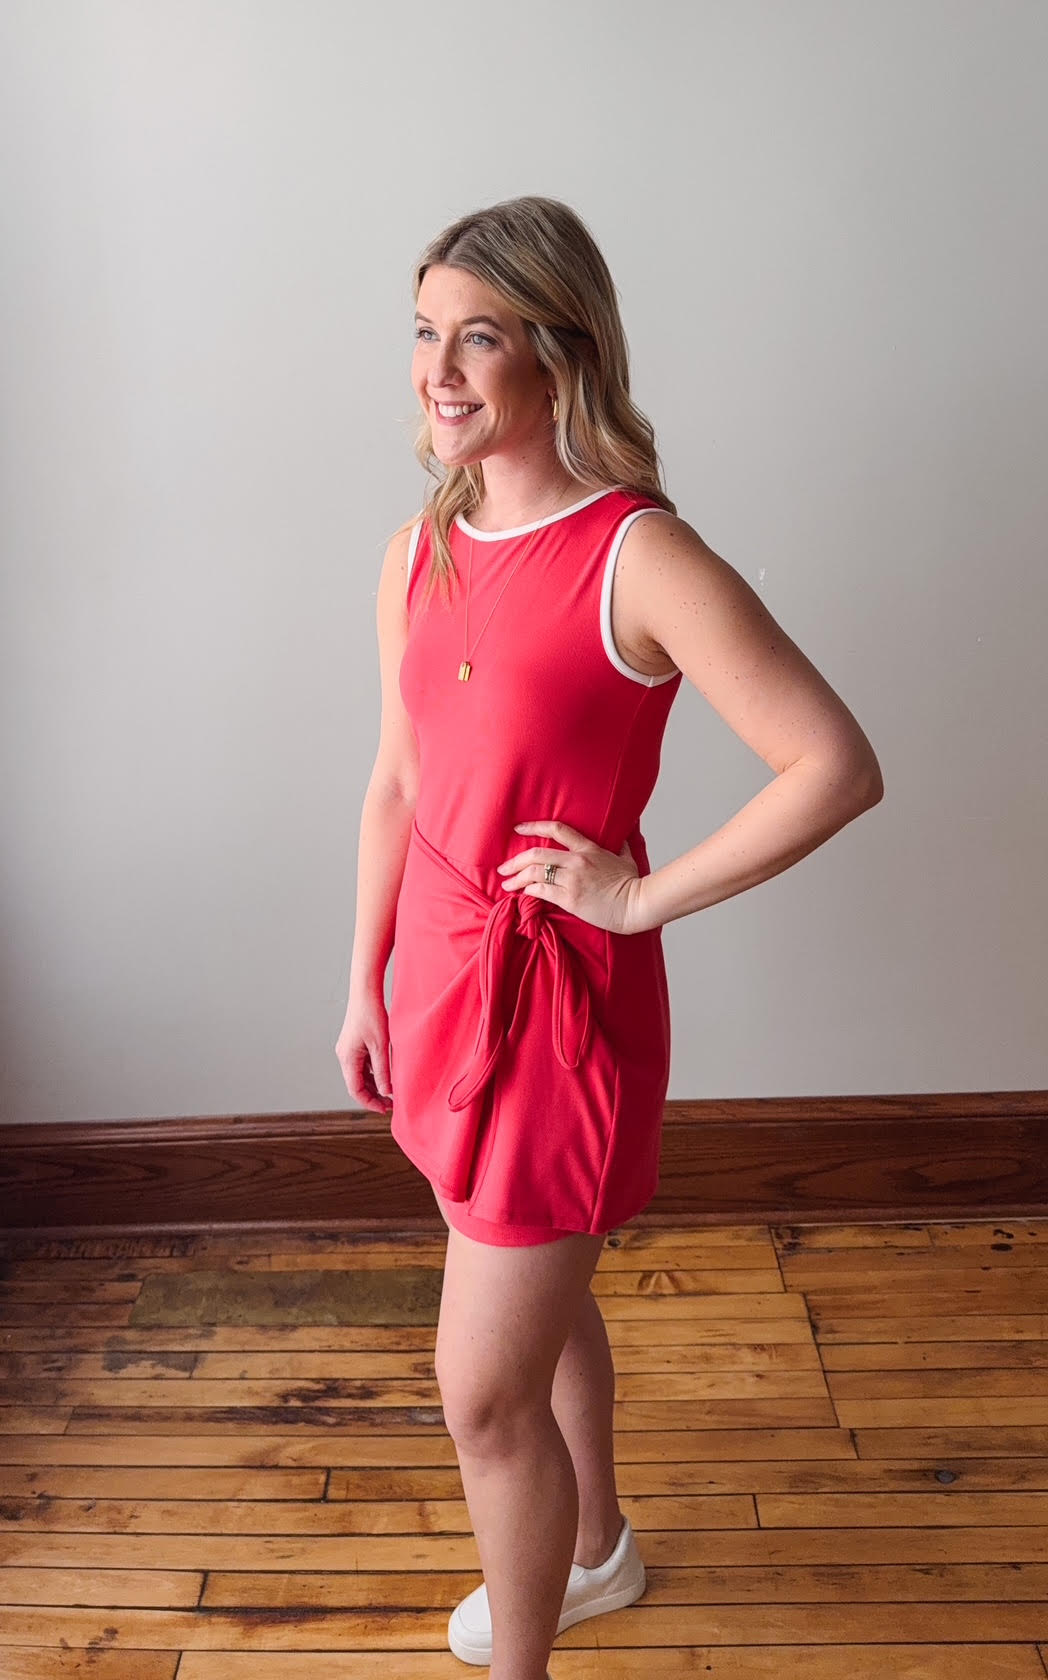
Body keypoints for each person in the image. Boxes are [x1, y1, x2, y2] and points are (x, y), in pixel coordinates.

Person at [336, 195, 883, 1680]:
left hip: (558, 1009)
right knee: (531, 1299)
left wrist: (638, 897)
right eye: (425, 333)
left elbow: (835, 763)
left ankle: (526, 1664)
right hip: (441, 983)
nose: (438, 371)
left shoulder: (637, 556)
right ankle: (599, 1552)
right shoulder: (417, 549)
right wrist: (362, 981)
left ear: (561, 354)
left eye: (481, 338)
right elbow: (398, 781)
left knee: (483, 1398)